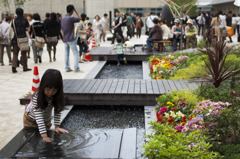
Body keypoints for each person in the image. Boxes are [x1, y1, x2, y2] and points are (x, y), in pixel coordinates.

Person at [24, 69, 68, 143]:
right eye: (48, 89)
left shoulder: (57, 96)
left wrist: (57, 126)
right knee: (32, 140)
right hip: (31, 120)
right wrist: (44, 135)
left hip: (46, 120)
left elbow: (57, 110)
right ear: (42, 86)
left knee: (46, 142)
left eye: (54, 90)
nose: (50, 92)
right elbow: (38, 116)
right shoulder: (37, 97)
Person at [61, 5, 81, 72]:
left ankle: (67, 68)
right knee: (76, 53)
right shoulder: (71, 18)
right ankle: (76, 68)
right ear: (72, 10)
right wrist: (76, 11)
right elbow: (80, 18)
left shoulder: (63, 18)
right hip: (70, 38)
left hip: (65, 38)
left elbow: (62, 30)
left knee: (66, 54)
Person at [11, 8, 31, 73]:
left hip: (15, 38)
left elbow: (13, 30)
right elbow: (28, 29)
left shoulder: (14, 21)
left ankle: (14, 67)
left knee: (15, 53)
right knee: (24, 53)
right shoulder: (25, 20)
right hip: (23, 38)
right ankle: (25, 67)